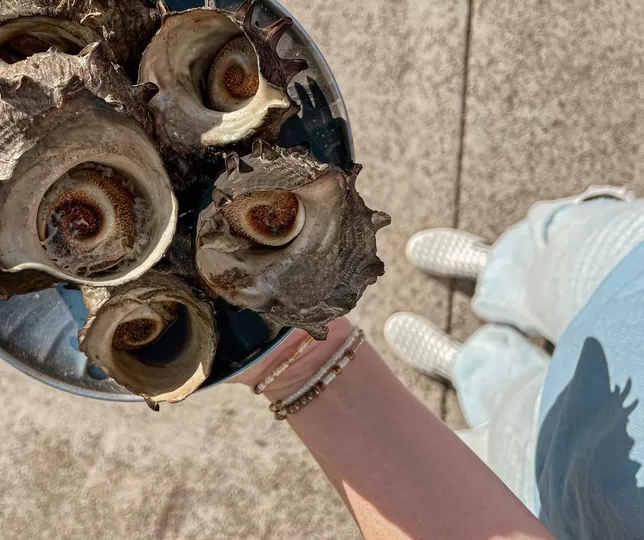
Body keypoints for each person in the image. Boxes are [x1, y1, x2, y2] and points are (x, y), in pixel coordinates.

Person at [230, 186, 644, 540]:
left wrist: (306, 365)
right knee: (564, 258)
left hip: (589, 496)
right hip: (631, 271)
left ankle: (475, 368)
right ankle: (501, 267)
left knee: (520, 434)